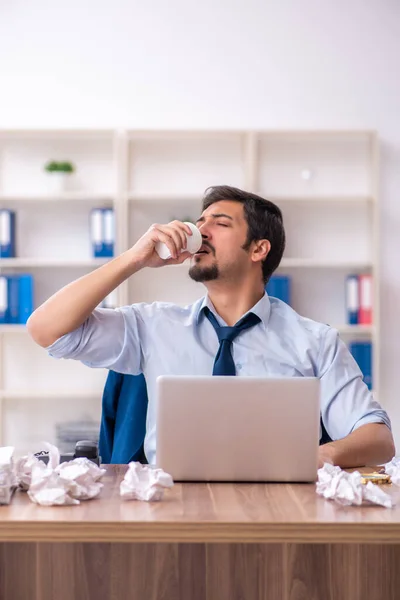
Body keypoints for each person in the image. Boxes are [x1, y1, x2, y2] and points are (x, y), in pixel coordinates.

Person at [27, 185, 395, 468]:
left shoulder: (314, 342)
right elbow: (46, 329)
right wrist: (134, 259)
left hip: (280, 505)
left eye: (219, 224)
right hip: (171, 504)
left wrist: (316, 457)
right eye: (199, 223)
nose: (201, 233)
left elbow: (379, 440)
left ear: (258, 250)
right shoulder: (153, 325)